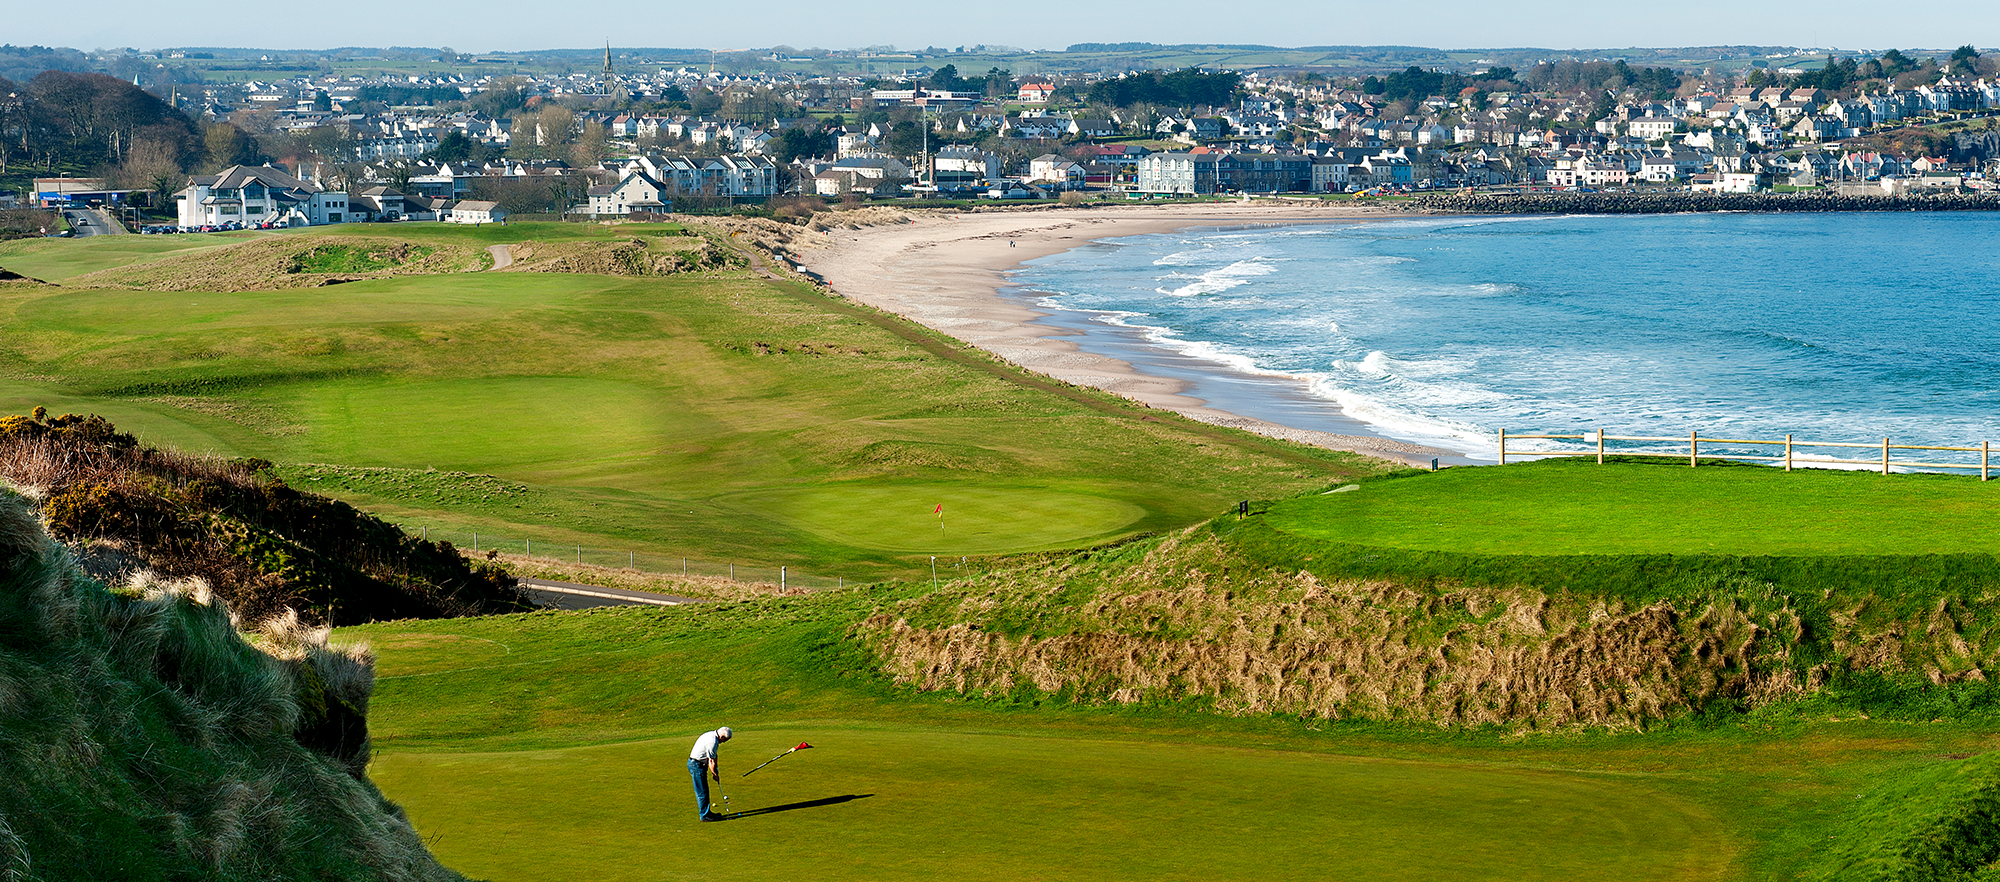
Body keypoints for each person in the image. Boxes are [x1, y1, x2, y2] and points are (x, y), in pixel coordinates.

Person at [689, 726, 733, 821]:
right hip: (696, 765)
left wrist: (716, 770)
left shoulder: (712, 736)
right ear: (722, 737)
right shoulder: (712, 741)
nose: (724, 742)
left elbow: (714, 755)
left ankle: (707, 813)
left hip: (698, 764)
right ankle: (704, 816)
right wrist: (715, 774)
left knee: (704, 790)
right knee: (702, 791)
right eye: (725, 740)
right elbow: (711, 761)